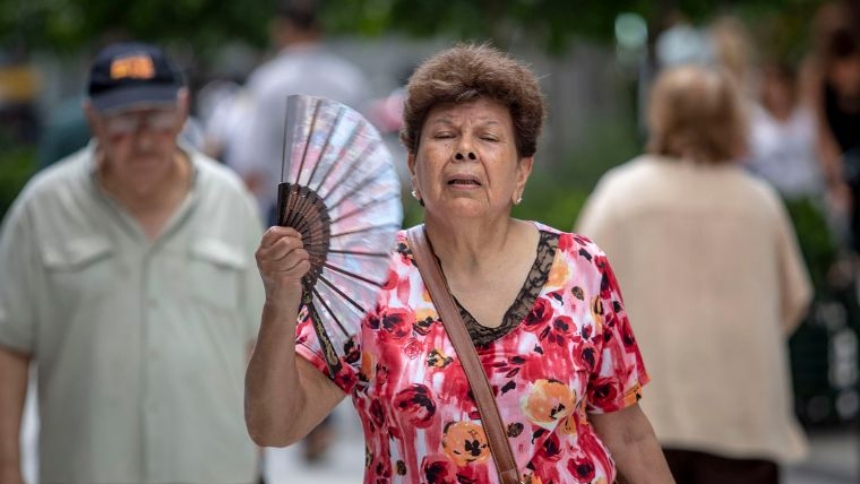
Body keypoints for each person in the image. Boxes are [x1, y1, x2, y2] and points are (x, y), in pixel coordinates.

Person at [245, 43, 675, 484]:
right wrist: (280, 299)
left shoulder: (581, 266)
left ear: (521, 172)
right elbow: (275, 426)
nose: (465, 150)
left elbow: (627, 432)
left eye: (488, 137)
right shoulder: (367, 278)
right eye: (445, 135)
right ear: (413, 167)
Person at [0, 41, 264, 484]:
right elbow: (10, 347)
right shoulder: (43, 209)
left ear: (182, 112)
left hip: (216, 468)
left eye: (157, 117)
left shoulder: (231, 201)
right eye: (123, 119)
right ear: (92, 119)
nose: (143, 138)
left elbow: (260, 342)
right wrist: (8, 467)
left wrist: (261, 456)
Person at [576, 65, 812, 484]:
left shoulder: (621, 194)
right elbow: (795, 298)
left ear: (660, 116)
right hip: (744, 420)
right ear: (731, 119)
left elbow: (576, 297)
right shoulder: (759, 202)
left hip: (643, 423)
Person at [232, 0, 371, 225]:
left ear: (280, 28)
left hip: (285, 209)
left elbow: (251, 159)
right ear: (319, 28)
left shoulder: (267, 81)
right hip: (341, 207)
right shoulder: (349, 80)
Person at [746, 61, 824, 200]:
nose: (777, 91)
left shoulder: (806, 115)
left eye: (780, 84)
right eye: (770, 84)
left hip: (811, 196)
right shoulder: (754, 120)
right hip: (771, 198)